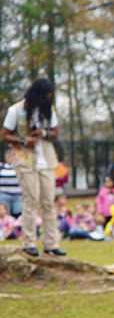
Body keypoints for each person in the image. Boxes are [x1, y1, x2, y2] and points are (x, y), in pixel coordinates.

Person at [1, 77, 66, 257]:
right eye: (43, 96)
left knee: (48, 200)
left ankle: (51, 243)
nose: (46, 99)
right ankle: (28, 242)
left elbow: (54, 133)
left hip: (45, 158)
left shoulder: (48, 109)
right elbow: (5, 134)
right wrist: (23, 140)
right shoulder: (16, 110)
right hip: (24, 158)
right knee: (30, 199)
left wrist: (43, 133)